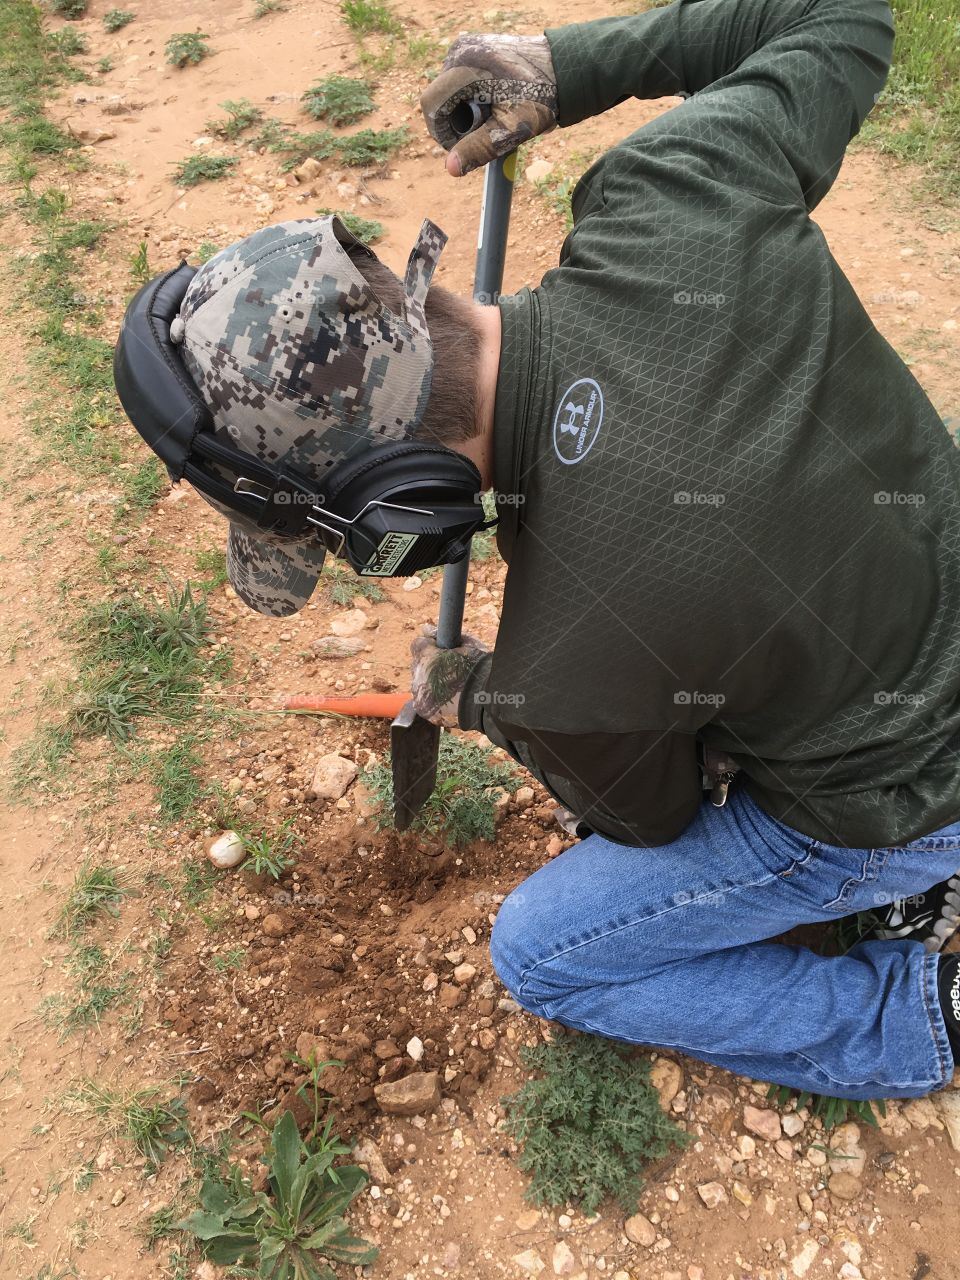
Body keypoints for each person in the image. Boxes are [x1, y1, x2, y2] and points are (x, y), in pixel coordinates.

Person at [115, 0, 960, 1101]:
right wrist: (566, 67)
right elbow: (838, 13)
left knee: (545, 949)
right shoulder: (677, 190)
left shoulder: (569, 664)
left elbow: (655, 818)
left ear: (395, 500)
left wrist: (500, 707)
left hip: (903, 799)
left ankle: (913, 1019)